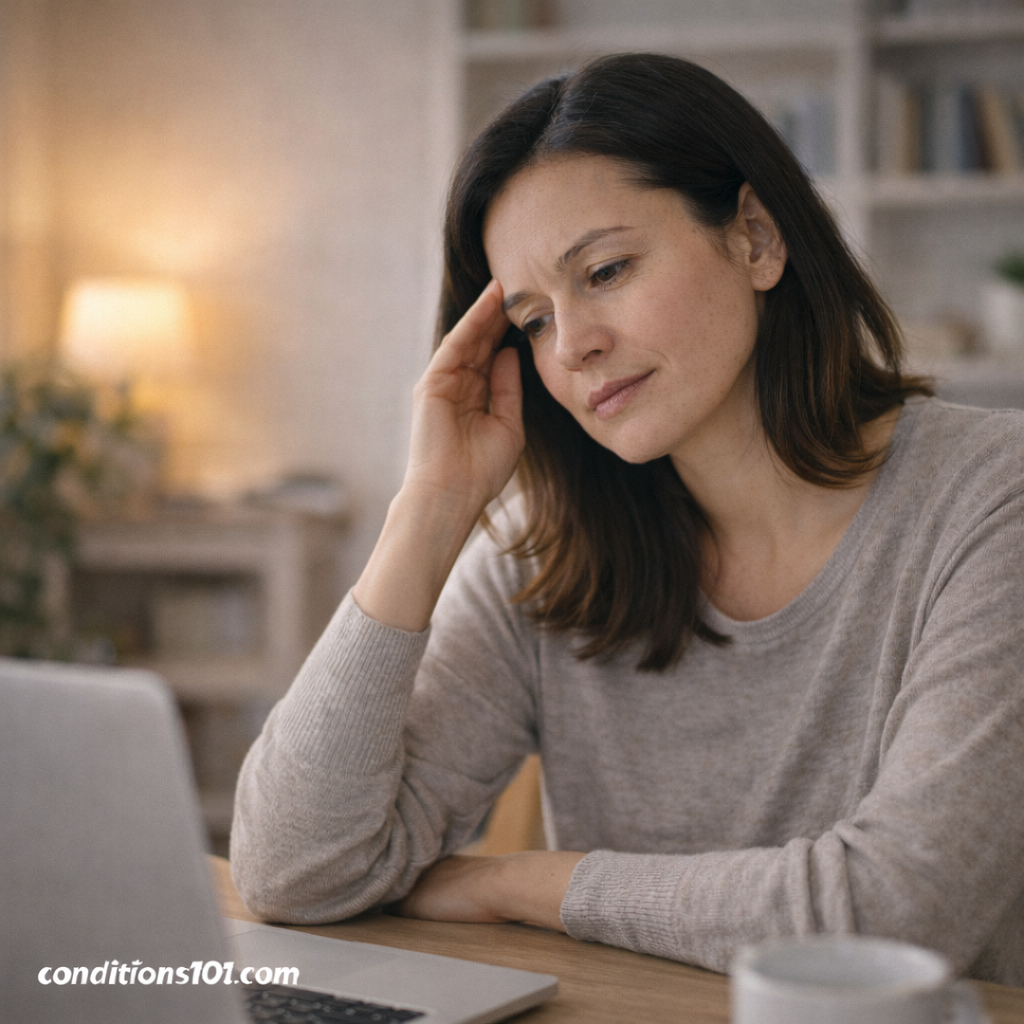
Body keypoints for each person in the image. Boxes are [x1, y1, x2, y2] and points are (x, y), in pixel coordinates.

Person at [231, 53, 1024, 984]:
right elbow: (295, 871)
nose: (571, 347)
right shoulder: (552, 554)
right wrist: (430, 509)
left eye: (605, 270)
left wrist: (522, 886)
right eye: (530, 320)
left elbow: (899, 914)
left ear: (758, 239)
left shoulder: (989, 497)